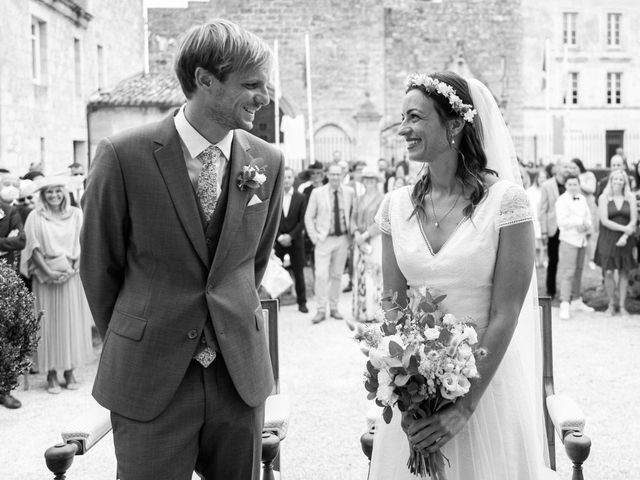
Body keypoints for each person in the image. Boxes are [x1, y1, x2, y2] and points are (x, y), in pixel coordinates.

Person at [80, 20, 284, 480]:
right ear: (205, 80)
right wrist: (141, 335)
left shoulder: (268, 161)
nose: (264, 97)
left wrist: (224, 320)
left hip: (238, 378)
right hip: (149, 378)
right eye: (251, 84)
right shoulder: (123, 154)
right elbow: (99, 267)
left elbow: (252, 263)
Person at [369, 71, 553, 479]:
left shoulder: (507, 204)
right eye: (403, 118)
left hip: (485, 388)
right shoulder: (394, 208)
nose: (404, 128)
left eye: (415, 117)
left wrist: (463, 406)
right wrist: (404, 387)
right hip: (415, 394)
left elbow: (507, 312)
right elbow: (393, 308)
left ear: (454, 124)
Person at [20, 177, 94, 393]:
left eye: (57, 191)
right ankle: (51, 374)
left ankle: (69, 371)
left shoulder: (76, 214)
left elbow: (84, 242)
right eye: (49, 192)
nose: (54, 195)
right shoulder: (35, 216)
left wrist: (73, 269)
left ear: (64, 192)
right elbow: (32, 248)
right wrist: (49, 271)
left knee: (71, 323)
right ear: (43, 195)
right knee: (48, 324)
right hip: (45, 278)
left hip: (72, 276)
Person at [304, 163, 355, 324]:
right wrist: (315, 238)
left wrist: (352, 237)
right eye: (332, 174)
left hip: (342, 239)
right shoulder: (317, 192)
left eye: (338, 174)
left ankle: (334, 307)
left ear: (342, 175)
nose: (335, 177)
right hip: (324, 240)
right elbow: (308, 217)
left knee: (337, 275)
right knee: (320, 275)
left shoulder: (349, 192)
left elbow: (353, 214)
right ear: (327, 175)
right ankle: (320, 309)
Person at [594, 170, 637, 317]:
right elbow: (604, 220)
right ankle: (611, 304)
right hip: (608, 239)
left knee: (624, 272)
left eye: (621, 179)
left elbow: (633, 220)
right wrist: (624, 228)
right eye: (615, 179)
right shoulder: (604, 197)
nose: (618, 182)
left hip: (626, 240)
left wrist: (625, 235)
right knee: (608, 271)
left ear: (625, 182)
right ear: (610, 181)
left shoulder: (630, 197)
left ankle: (622, 305)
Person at [555, 174, 594, 320]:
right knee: (568, 273)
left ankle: (576, 300)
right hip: (569, 240)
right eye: (570, 184)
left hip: (582, 241)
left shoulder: (582, 199)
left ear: (579, 185)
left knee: (578, 271)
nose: (572, 186)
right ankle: (564, 303)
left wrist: (586, 225)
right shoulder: (561, 200)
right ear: (565, 185)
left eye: (575, 184)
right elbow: (562, 221)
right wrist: (579, 223)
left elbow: (589, 217)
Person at [350, 167, 384, 327]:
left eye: (372, 180)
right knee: (360, 274)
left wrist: (366, 235)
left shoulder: (382, 198)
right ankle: (362, 311)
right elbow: (353, 218)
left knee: (374, 275)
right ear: (363, 182)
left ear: (376, 182)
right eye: (366, 180)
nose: (369, 182)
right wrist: (356, 233)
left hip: (374, 240)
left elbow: (382, 221)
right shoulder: (358, 199)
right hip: (360, 241)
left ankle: (375, 312)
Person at [275, 167, 308, 313]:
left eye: (289, 177)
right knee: (277, 271)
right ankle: (276, 302)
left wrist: (290, 236)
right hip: (279, 241)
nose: (286, 180)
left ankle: (302, 302)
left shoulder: (301, 198)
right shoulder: (275, 197)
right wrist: (280, 236)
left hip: (296, 241)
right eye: (284, 177)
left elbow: (303, 221)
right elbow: (271, 220)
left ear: (293, 179)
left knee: (298, 272)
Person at [540, 159, 572, 298]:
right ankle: (551, 290)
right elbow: (543, 209)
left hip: (569, 229)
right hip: (553, 228)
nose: (567, 169)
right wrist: (544, 231)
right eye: (564, 166)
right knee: (553, 260)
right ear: (557, 168)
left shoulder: (571, 184)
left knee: (568, 261)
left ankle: (568, 292)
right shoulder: (547, 185)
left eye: (568, 167)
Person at [570, 158, 598, 269]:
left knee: (589, 234)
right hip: (576, 209)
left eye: (574, 167)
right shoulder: (571, 178)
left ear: (579, 166)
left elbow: (592, 189)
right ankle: (577, 259)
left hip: (589, 207)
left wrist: (579, 182)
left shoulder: (588, 175)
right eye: (571, 168)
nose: (572, 170)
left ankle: (591, 259)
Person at [526, 167, 547, 267]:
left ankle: (543, 260)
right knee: (535, 242)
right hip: (534, 218)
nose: (542, 179)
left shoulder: (546, 190)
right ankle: (535, 261)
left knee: (543, 242)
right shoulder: (531, 191)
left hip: (543, 219)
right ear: (537, 178)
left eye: (544, 178)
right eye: (540, 177)